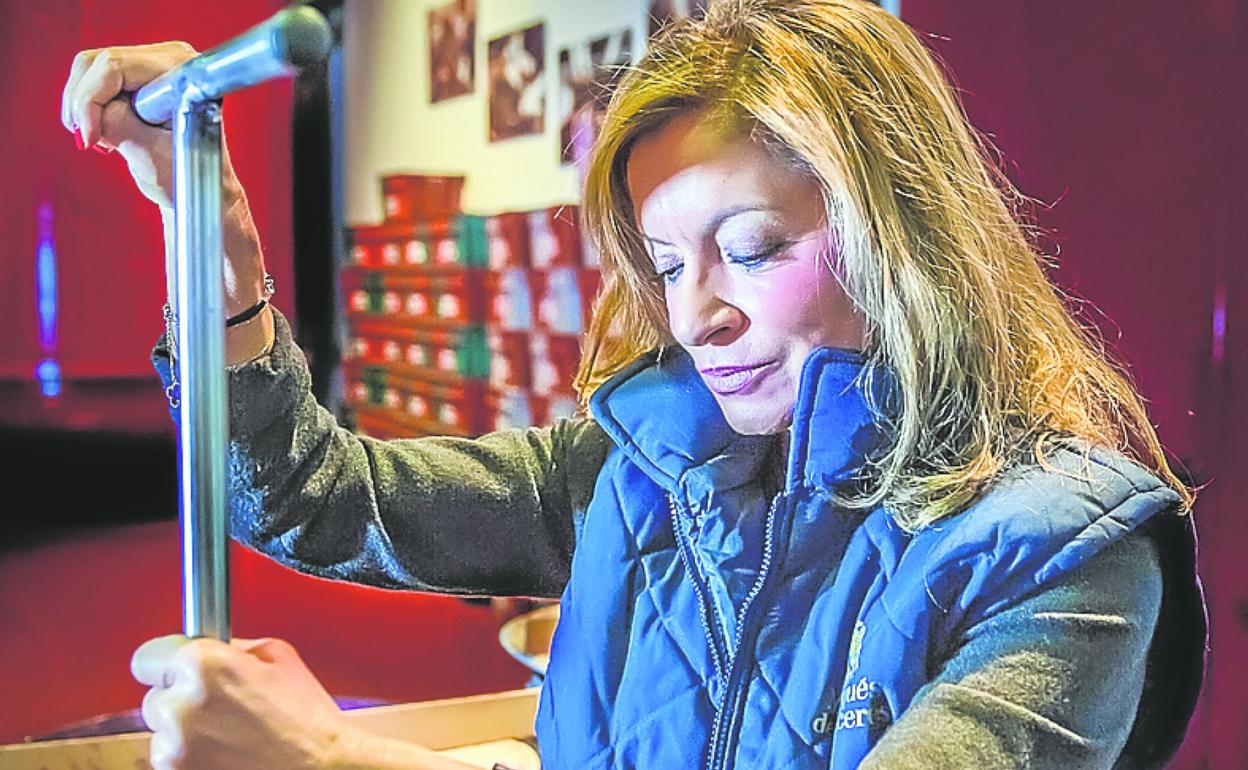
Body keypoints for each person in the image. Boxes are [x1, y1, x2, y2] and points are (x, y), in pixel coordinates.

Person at [60, 1, 1205, 768]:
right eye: (666, 266)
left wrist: (339, 755)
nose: (697, 314)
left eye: (751, 247)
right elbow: (309, 497)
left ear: (907, 237)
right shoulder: (649, 460)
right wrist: (220, 249)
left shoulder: (1067, 554)